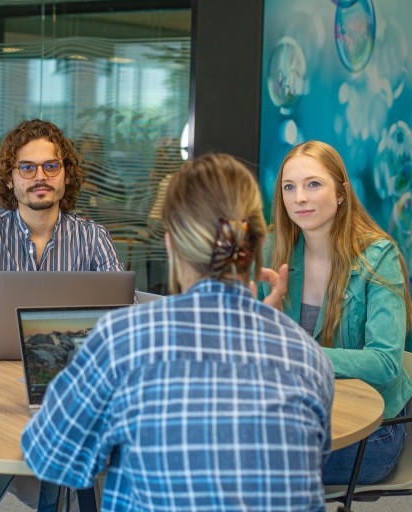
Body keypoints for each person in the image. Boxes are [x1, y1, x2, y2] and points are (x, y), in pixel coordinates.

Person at [22, 153, 335, 511]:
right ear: (253, 246)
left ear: (171, 245)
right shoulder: (307, 356)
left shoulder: (122, 340)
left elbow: (50, 457)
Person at [260, 140, 412, 485]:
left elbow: (386, 364)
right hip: (294, 413)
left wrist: (298, 354)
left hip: (372, 431)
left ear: (341, 193)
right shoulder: (270, 249)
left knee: (251, 466)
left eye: (313, 184)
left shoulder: (379, 256)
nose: (299, 197)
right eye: (289, 186)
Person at [0, 119, 124, 341]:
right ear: (8, 179)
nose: (40, 177)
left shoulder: (93, 237)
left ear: (67, 175)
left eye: (51, 166)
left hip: (72, 364)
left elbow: (125, 312)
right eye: (27, 168)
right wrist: (22, 332)